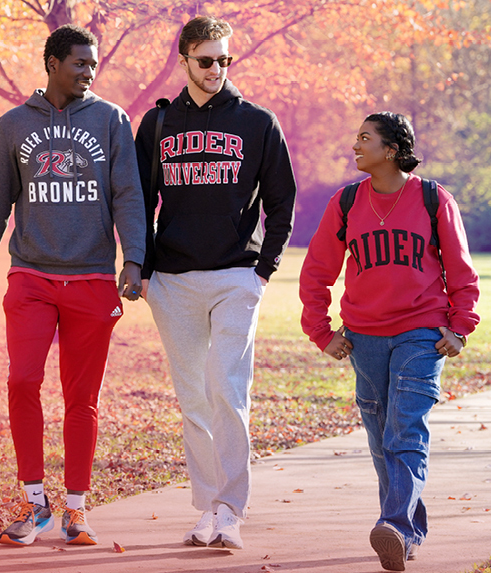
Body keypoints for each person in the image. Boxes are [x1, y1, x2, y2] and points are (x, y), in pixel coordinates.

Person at [0, 24, 147, 547]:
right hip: (31, 276)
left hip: (91, 277)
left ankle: (76, 509)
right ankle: (33, 502)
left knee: (81, 398)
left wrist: (133, 259)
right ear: (51, 63)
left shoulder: (112, 120)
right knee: (22, 381)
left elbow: (128, 195)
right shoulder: (13, 125)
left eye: (93, 65)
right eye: (79, 64)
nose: (89, 72)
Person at [134, 15, 296, 550]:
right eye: (206, 60)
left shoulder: (258, 122)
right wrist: (140, 265)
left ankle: (231, 508)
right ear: (184, 60)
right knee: (193, 400)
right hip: (174, 282)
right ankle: (206, 507)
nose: (216, 69)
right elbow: (137, 202)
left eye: (225, 60)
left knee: (226, 390)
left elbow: (281, 202)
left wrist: (263, 271)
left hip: (235, 277)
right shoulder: (157, 125)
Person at [299, 112, 478, 571]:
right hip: (364, 335)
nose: (355, 145)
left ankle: (394, 524)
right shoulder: (346, 202)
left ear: (392, 150)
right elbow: (317, 270)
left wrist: (461, 327)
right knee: (381, 438)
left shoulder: (433, 199)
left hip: (422, 332)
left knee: (405, 429)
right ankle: (407, 533)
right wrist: (321, 331)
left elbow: (460, 268)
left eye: (365, 138)